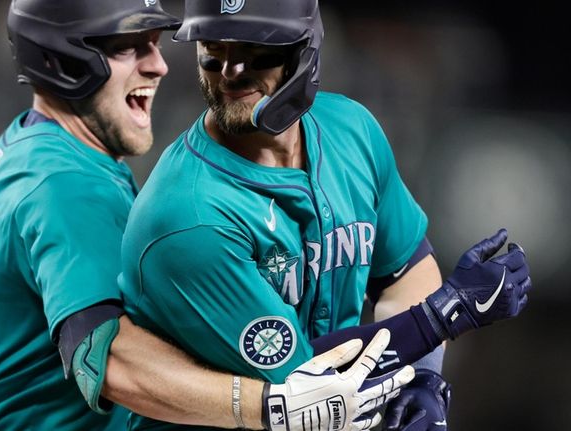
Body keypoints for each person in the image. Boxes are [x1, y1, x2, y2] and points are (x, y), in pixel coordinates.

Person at [0, 0, 416, 430]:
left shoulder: (35, 152)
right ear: (62, 60)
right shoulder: (66, 187)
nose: (158, 65)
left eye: (153, 43)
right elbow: (108, 359)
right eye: (127, 48)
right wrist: (264, 404)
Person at [118, 0, 532, 430]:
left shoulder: (351, 129)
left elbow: (403, 272)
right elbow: (299, 386)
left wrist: (422, 378)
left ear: (304, 51)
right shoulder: (188, 215)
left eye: (254, 51)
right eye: (213, 52)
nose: (230, 72)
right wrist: (442, 314)